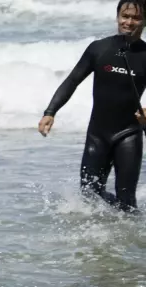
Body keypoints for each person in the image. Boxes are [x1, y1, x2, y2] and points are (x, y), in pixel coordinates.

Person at [40, 0, 146, 211]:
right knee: (89, 195)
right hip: (98, 134)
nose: (129, 22)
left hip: (129, 134)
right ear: (118, 17)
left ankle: (131, 239)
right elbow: (72, 81)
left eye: (136, 18)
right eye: (125, 16)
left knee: (127, 201)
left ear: (144, 21)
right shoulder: (99, 49)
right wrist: (50, 112)